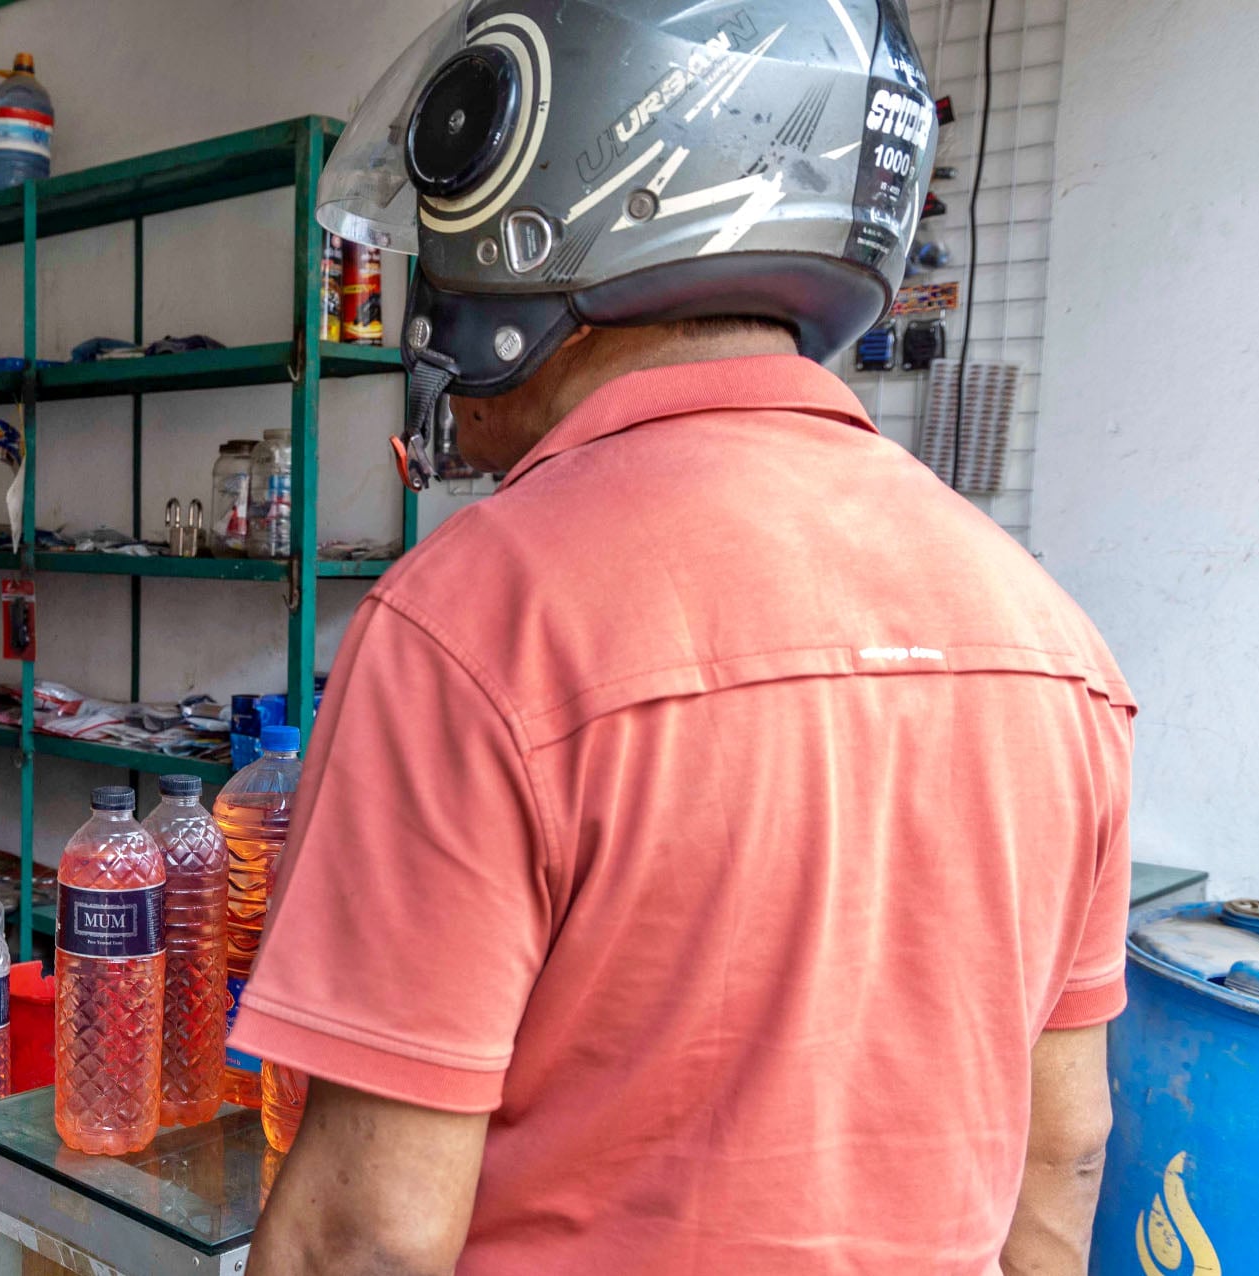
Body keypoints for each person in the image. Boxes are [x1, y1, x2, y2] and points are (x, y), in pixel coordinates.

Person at [231, 3, 1132, 1273]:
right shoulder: (1054, 641)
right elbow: (1062, 1157)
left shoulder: (474, 622)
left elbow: (364, 1239)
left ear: (555, 183)